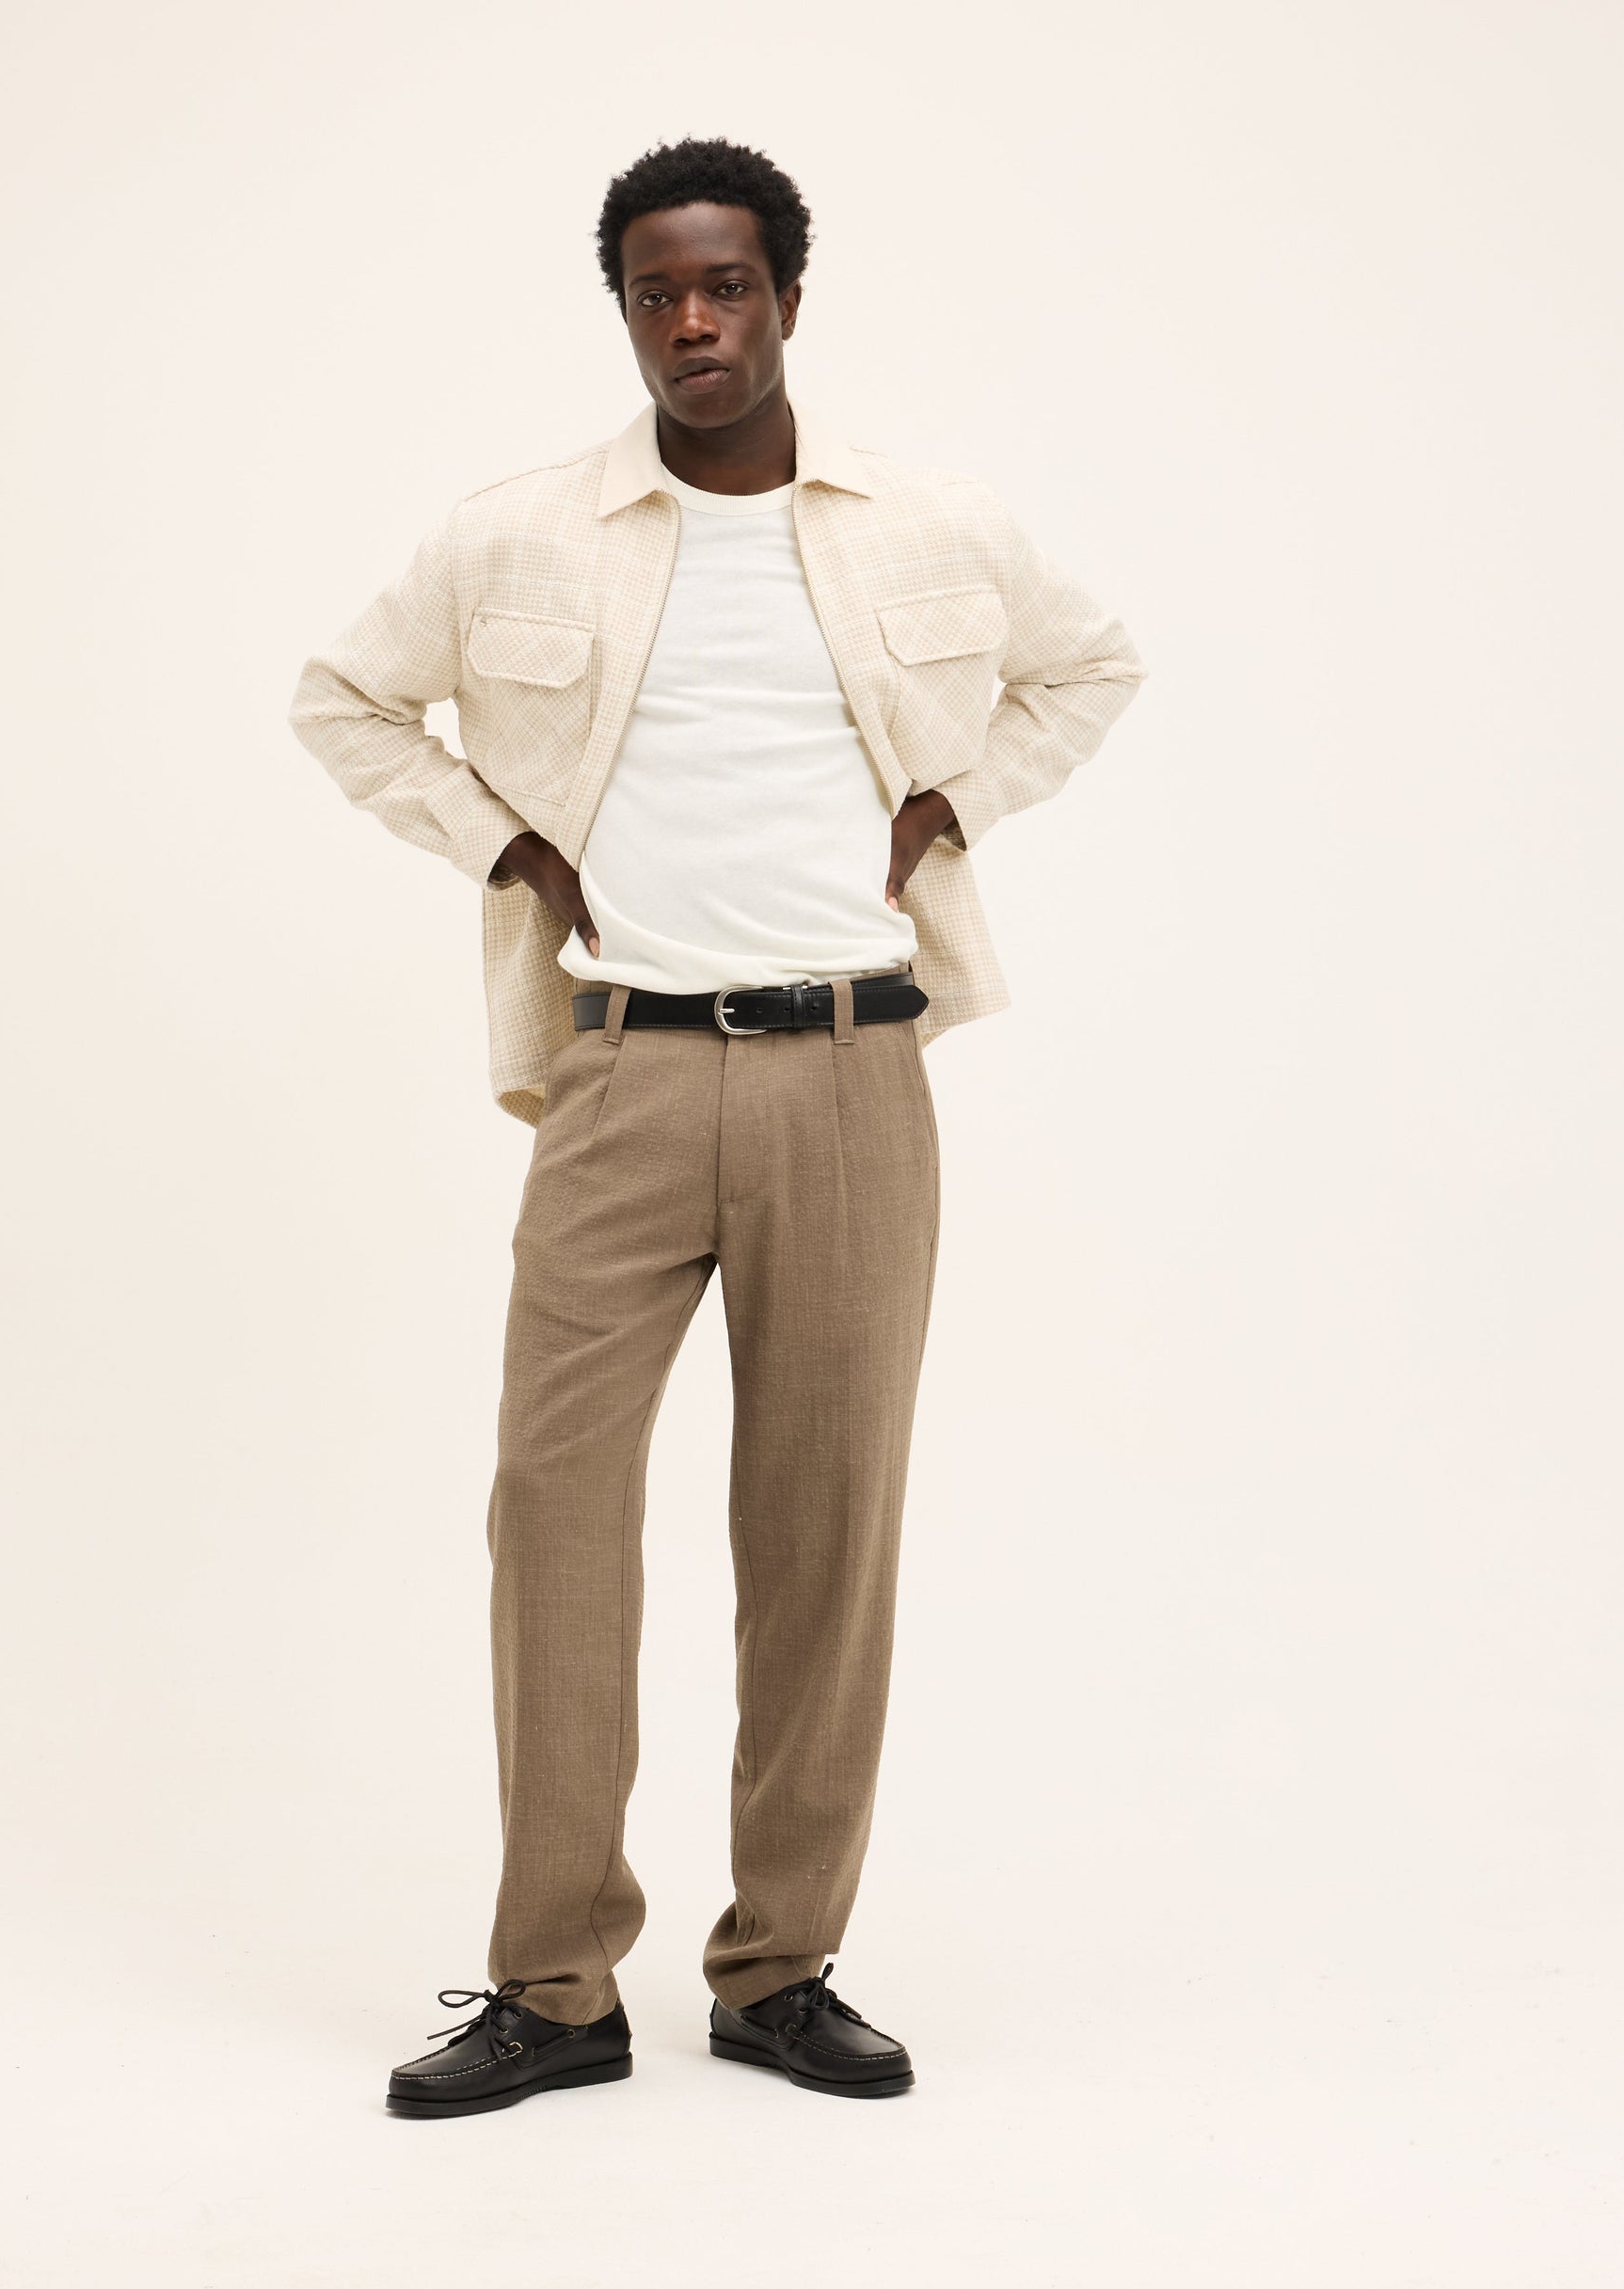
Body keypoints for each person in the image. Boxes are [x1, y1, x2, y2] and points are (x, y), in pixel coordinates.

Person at [288, 136, 1148, 2119]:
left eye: (727, 285)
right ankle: (554, 1984)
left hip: (851, 1066)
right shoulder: (516, 535)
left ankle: (778, 1967)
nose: (693, 321)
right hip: (620, 1069)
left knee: (821, 1522)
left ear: (787, 298)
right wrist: (505, 841)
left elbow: (1092, 664)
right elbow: (343, 700)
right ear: (623, 310)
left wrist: (955, 800)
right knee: (552, 1504)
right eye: (656, 291)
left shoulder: (928, 523)